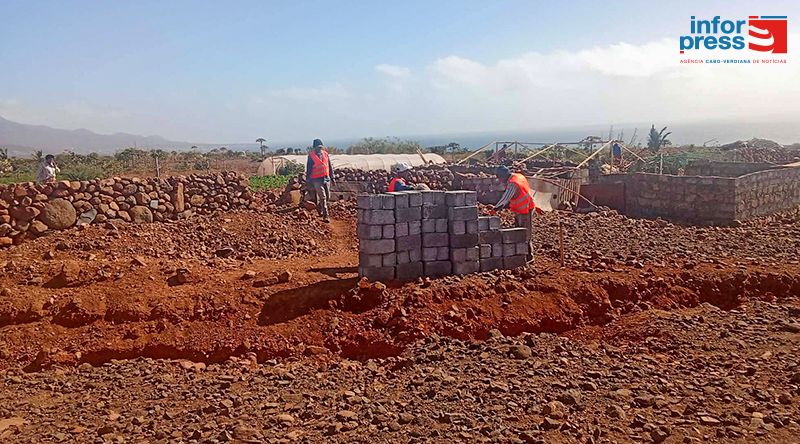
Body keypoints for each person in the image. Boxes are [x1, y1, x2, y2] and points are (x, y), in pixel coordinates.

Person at [493, 166, 537, 261]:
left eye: (500, 178)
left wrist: (495, 209)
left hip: (525, 209)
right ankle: (520, 253)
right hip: (524, 207)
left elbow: (506, 198)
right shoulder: (518, 176)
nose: (500, 180)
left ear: (504, 176)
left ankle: (529, 256)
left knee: (525, 233)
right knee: (519, 230)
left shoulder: (513, 183)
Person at [306, 138, 334, 223]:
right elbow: (309, 168)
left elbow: (329, 166)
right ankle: (326, 215)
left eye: (320, 147)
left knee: (328, 196)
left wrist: (332, 177)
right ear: (314, 148)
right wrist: (308, 179)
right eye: (318, 147)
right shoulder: (311, 156)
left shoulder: (325, 154)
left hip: (326, 178)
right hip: (316, 179)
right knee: (323, 196)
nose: (319, 149)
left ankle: (319, 207)